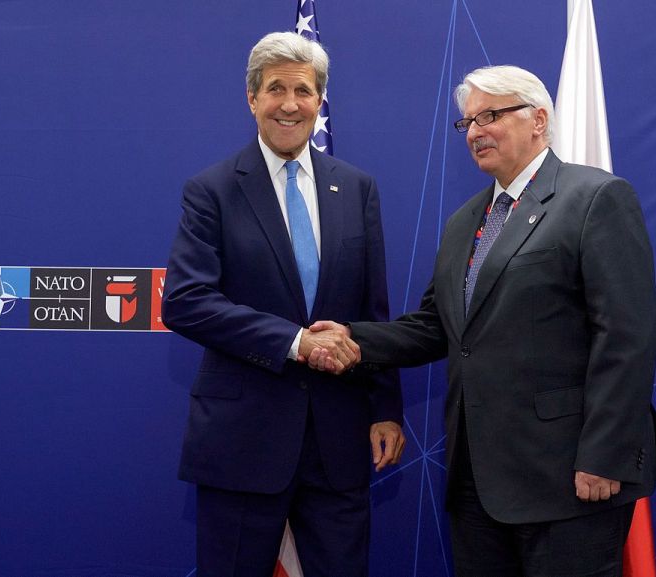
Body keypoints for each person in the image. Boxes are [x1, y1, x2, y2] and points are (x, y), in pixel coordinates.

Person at [307, 65, 656, 576]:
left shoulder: (595, 199)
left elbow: (626, 338)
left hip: (570, 477)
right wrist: (353, 339)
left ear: (539, 120)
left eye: (491, 116)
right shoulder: (464, 222)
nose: (475, 131)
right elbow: (437, 327)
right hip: (476, 482)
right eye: (468, 122)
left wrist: (604, 456)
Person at [161, 31, 404, 577]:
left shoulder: (357, 188)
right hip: (242, 443)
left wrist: (385, 407)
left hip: (339, 442)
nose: (289, 104)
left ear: (320, 101)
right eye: (275, 89)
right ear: (252, 98)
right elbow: (185, 300)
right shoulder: (212, 190)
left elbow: (374, 310)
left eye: (303, 90)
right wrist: (296, 343)